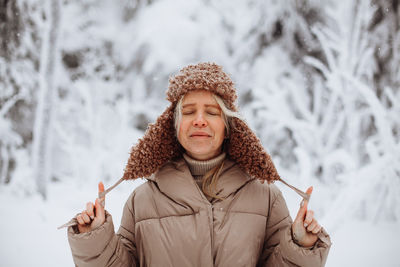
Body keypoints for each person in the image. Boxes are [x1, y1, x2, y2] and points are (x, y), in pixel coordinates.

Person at [67, 62, 331, 267]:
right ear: (173, 126)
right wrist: (95, 240)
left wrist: (300, 245)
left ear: (229, 127)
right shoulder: (142, 201)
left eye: (212, 112)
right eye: (189, 112)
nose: (200, 120)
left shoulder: (265, 198)